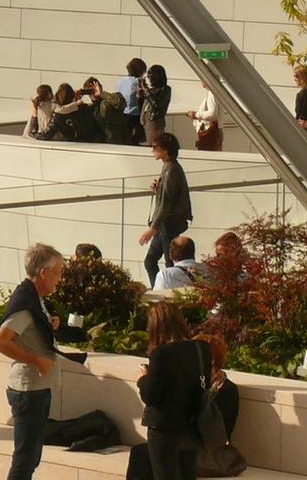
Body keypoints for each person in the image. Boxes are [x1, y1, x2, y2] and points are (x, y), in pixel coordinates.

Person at [0, 243, 65, 480]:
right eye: (58, 272)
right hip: (28, 392)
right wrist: (37, 361)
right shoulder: (25, 304)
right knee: (24, 461)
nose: (60, 278)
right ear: (43, 273)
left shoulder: (36, 300)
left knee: (31, 459)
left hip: (37, 390)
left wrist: (48, 323)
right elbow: (1, 342)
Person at [133, 303, 207, 480]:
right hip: (192, 424)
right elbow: (204, 383)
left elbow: (150, 396)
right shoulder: (201, 349)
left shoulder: (161, 354)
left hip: (164, 429)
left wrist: (143, 378)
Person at [138, 133, 192, 287]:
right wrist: (158, 188)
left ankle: (168, 293)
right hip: (164, 225)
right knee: (151, 261)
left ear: (165, 150)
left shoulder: (172, 170)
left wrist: (152, 228)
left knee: (171, 264)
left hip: (169, 224)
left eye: (155, 147)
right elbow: (168, 196)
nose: (152, 150)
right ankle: (160, 289)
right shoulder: (168, 167)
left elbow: (166, 203)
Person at [140, 65, 173, 146]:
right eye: (148, 76)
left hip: (155, 122)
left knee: (154, 144)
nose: (150, 79)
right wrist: (140, 94)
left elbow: (156, 104)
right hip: (145, 121)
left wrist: (146, 91)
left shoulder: (165, 89)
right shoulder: (151, 90)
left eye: (152, 77)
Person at [117, 58, 147, 142]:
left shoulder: (121, 81)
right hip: (134, 114)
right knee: (135, 138)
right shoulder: (138, 82)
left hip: (122, 113)